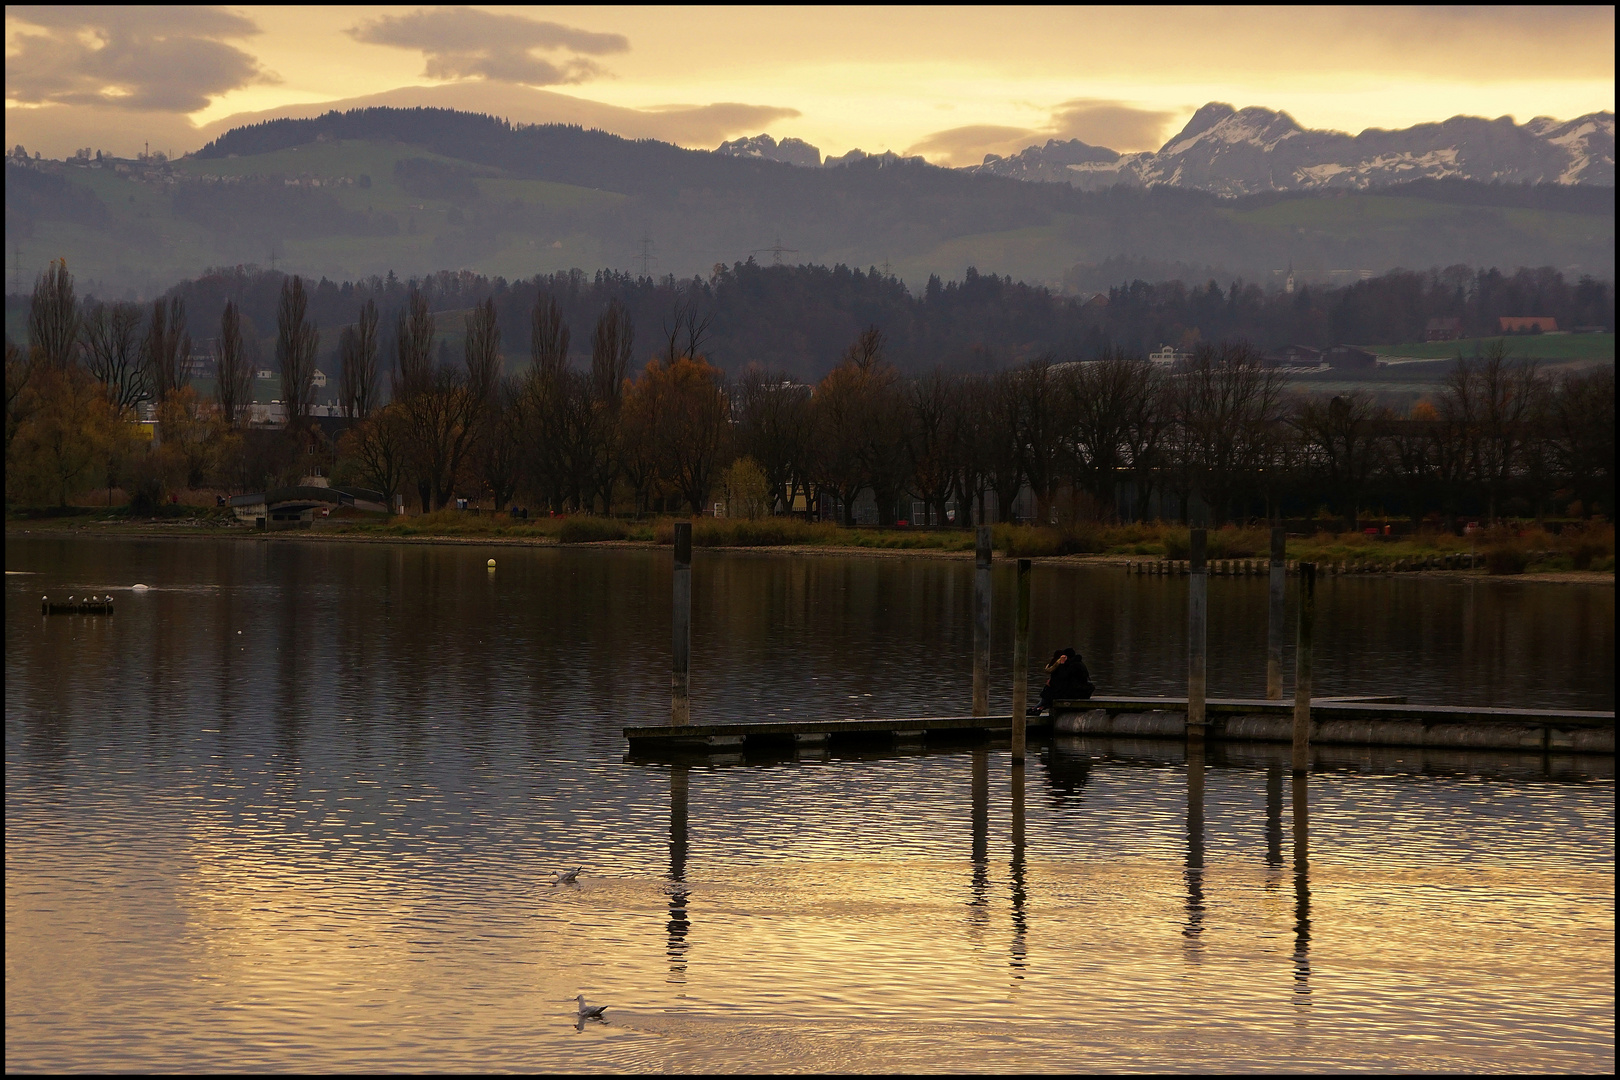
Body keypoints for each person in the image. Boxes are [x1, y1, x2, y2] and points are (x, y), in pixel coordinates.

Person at [1030, 647, 1093, 715]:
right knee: (1050, 691)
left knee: (1049, 692)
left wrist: (1062, 664)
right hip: (1080, 691)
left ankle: (1037, 708)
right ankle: (1038, 707)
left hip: (1076, 692)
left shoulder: (1073, 665)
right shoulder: (1078, 663)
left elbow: (1063, 677)